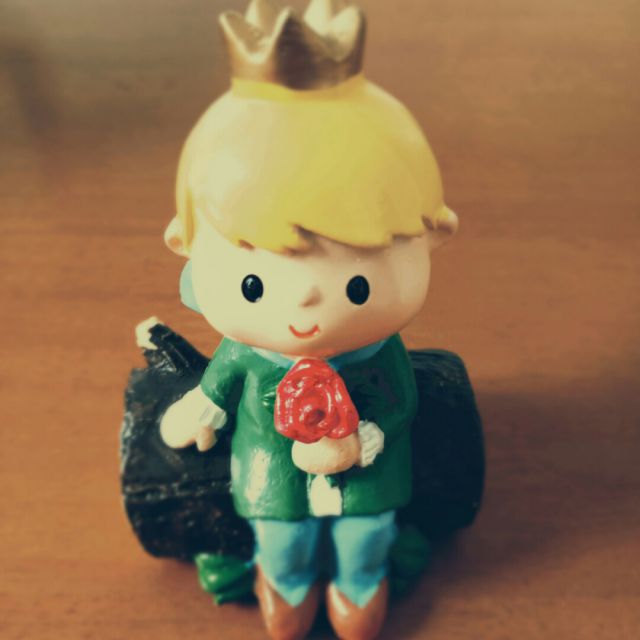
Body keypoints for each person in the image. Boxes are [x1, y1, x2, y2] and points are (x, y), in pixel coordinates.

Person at [155, 1, 457, 638]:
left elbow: (399, 404)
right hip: (271, 465)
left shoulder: (377, 355)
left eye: (355, 284)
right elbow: (219, 386)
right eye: (255, 285)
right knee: (280, 535)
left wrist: (365, 437)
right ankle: (285, 580)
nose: (304, 311)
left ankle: (360, 580)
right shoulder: (247, 351)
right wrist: (200, 410)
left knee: (365, 531)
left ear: (434, 237)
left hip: (368, 466)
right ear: (185, 244)